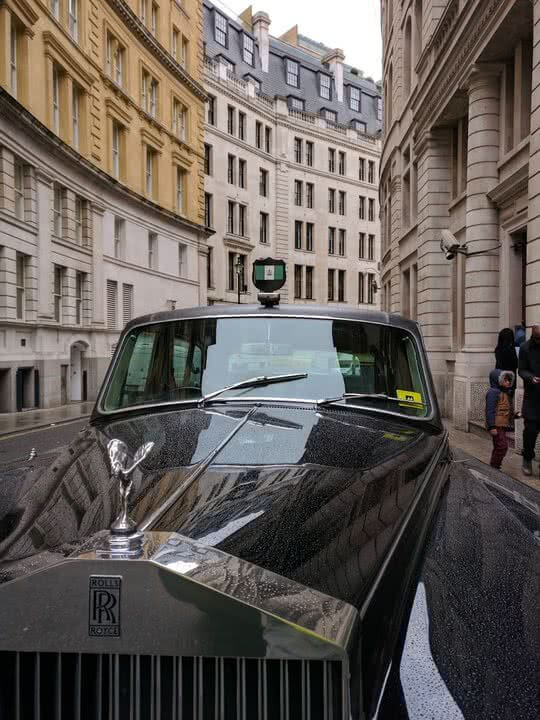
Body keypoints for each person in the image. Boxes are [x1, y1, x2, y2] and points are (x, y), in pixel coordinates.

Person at [518, 324, 540, 476]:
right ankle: (527, 458)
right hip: (533, 396)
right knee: (530, 431)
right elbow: (521, 370)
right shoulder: (525, 348)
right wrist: (531, 378)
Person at [485, 370, 515, 470]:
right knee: (502, 447)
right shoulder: (493, 392)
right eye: (505, 380)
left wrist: (515, 415)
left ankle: (493, 467)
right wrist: (492, 426)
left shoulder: (504, 392)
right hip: (496, 425)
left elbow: (505, 409)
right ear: (498, 380)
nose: (508, 382)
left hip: (502, 425)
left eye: (509, 380)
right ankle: (494, 467)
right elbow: (489, 410)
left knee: (498, 446)